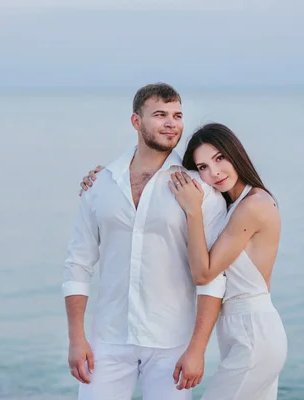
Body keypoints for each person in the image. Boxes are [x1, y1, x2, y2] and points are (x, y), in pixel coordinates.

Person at [81, 123, 288, 399]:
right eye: (202, 167)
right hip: (240, 332)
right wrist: (106, 178)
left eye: (219, 158)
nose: (213, 173)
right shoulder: (232, 204)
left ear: (235, 153)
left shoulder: (253, 205)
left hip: (253, 334)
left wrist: (193, 210)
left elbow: (204, 274)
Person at [63, 83, 229, 400]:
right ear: (136, 121)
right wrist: (76, 338)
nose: (171, 123)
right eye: (160, 114)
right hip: (108, 340)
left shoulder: (199, 189)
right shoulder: (101, 184)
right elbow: (78, 264)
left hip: (172, 341)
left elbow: (212, 277)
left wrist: (197, 349)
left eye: (178, 115)